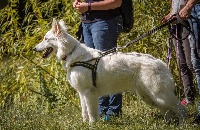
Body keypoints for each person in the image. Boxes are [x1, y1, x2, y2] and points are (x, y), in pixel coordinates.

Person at [73, 0, 123, 120]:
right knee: (93, 71)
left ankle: (113, 112)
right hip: (86, 23)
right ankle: (101, 111)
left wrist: (89, 6)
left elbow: (116, 2)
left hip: (104, 22)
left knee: (109, 67)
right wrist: (78, 3)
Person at [163, 0, 200, 124]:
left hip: (188, 20)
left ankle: (194, 98)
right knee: (183, 64)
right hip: (177, 23)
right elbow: (174, 3)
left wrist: (186, 8)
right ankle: (189, 97)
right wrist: (171, 15)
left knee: (194, 64)